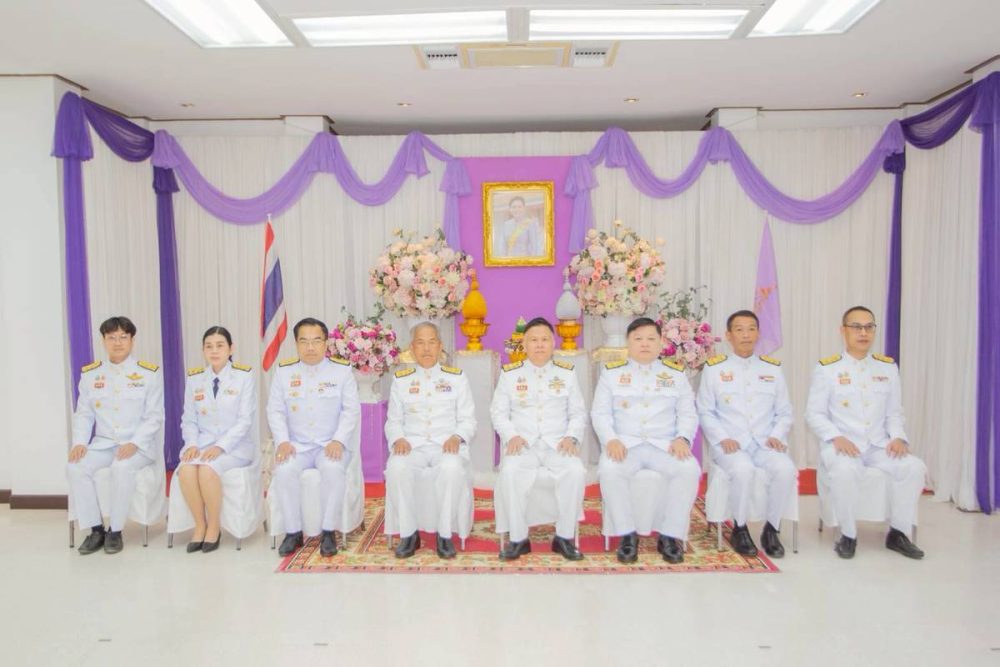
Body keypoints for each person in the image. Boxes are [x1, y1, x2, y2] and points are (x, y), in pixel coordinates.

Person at [806, 306, 926, 560]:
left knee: (913, 467)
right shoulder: (828, 369)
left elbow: (894, 412)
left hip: (878, 445)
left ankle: (898, 533)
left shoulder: (887, 367)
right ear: (843, 331)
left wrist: (898, 437)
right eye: (856, 327)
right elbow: (814, 414)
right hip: (842, 445)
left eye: (869, 327)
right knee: (845, 471)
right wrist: (835, 437)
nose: (863, 333)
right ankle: (848, 535)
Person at [592, 317, 700, 564]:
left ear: (661, 342)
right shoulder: (611, 374)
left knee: (689, 470)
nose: (644, 344)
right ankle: (627, 535)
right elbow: (599, 413)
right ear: (628, 343)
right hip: (625, 445)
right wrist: (611, 440)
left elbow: (688, 413)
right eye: (638, 338)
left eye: (651, 339)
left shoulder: (675, 374)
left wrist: (683, 438)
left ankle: (670, 535)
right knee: (609, 470)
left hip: (664, 445)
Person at [696, 310, 797, 558]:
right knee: (743, 470)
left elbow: (785, 412)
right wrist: (722, 438)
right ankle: (739, 529)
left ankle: (771, 529)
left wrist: (777, 435)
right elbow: (705, 411)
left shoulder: (772, 370)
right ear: (728, 335)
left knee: (785, 469)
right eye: (739, 330)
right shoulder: (714, 369)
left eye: (751, 329)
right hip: (730, 444)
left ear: (758, 334)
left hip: (764, 443)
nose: (746, 335)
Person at [491, 317, 587, 561]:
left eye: (545, 339)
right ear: (524, 345)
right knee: (510, 473)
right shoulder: (510, 374)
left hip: (558, 444)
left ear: (553, 343)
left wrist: (571, 437)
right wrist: (511, 436)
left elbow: (578, 412)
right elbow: (498, 412)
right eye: (534, 340)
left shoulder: (566, 373)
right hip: (523, 445)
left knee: (575, 471)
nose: (540, 344)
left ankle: (564, 537)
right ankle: (518, 539)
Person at [66, 316, 164, 555]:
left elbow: (154, 417)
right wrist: (79, 442)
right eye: (111, 338)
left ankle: (115, 531)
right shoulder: (91, 375)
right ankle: (96, 529)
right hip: (104, 444)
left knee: (122, 467)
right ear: (103, 340)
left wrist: (135, 443)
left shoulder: (148, 373)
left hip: (138, 447)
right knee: (75, 466)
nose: (117, 342)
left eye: (123, 337)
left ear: (132, 340)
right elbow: (84, 414)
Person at [267, 317, 360, 557]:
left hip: (329, 444)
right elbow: (275, 410)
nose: (310, 347)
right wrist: (282, 441)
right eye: (304, 341)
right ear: (296, 344)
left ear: (326, 343)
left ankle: (328, 531)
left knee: (333, 470)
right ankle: (293, 532)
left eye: (316, 341)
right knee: (284, 471)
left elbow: (351, 410)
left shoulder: (341, 371)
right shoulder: (284, 372)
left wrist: (338, 440)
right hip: (297, 446)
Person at [384, 322, 476, 559]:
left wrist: (457, 436)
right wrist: (399, 439)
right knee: (396, 468)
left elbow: (468, 419)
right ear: (412, 348)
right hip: (412, 446)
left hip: (445, 446)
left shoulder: (456, 378)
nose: (426, 349)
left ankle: (444, 535)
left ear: (440, 346)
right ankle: (409, 534)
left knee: (451, 469)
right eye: (420, 343)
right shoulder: (401, 380)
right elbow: (393, 421)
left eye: (431, 342)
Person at [177, 326, 257, 553]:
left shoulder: (244, 377)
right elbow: (189, 419)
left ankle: (214, 527)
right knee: (186, 470)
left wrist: (221, 447)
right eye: (209, 346)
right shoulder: (195, 379)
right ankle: (200, 525)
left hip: (236, 447)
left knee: (207, 469)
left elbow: (245, 421)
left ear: (231, 349)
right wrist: (192, 444)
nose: (214, 351)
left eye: (220, 345)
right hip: (202, 445)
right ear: (203, 350)